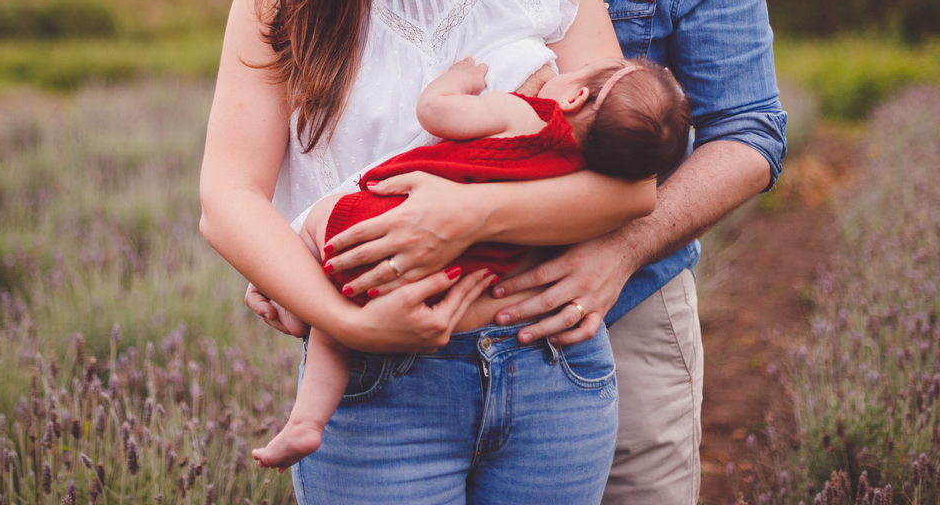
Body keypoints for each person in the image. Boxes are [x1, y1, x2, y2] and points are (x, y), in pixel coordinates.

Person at [268, 0, 788, 503]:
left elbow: (750, 131)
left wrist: (620, 247)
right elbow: (349, 96)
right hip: (415, 326)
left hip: (611, 313)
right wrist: (296, 246)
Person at [200, 0, 661, 503]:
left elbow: (630, 189)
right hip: (376, 391)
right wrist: (346, 325)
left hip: (551, 370)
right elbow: (228, 199)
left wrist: (469, 218)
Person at [253, 55, 692, 470]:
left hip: (382, 227)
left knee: (315, 232)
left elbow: (435, 111)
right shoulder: (579, 186)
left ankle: (301, 368)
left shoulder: (527, 115)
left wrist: (462, 79)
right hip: (449, 278)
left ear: (575, 97)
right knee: (338, 332)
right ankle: (306, 422)